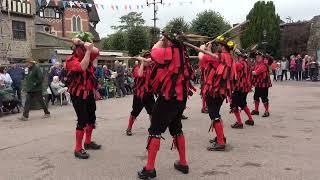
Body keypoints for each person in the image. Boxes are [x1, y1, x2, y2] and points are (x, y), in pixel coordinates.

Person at [137, 32, 195, 179]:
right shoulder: (182, 54)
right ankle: (183, 162)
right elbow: (162, 64)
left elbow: (154, 51)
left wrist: (161, 41)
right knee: (176, 129)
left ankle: (149, 168)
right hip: (180, 99)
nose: (165, 42)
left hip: (168, 98)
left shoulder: (169, 51)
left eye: (167, 40)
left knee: (155, 130)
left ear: (171, 42)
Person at [66, 33, 101, 159]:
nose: (83, 50)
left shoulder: (89, 55)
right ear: (75, 49)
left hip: (89, 93)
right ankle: (78, 148)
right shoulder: (70, 60)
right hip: (78, 95)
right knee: (82, 120)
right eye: (80, 48)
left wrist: (84, 43)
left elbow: (97, 51)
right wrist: (87, 51)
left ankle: (87, 142)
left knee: (91, 118)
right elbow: (83, 67)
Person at [200, 36, 236, 151]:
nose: (219, 47)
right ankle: (221, 137)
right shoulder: (228, 57)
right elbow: (211, 59)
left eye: (220, 45)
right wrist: (208, 50)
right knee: (216, 113)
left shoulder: (220, 56)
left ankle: (220, 142)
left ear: (223, 47)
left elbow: (202, 57)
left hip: (215, 91)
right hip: (221, 91)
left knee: (213, 114)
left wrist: (202, 48)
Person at [126, 52, 155, 136]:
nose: (148, 63)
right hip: (139, 95)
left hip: (149, 94)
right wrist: (142, 62)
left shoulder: (151, 68)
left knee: (152, 112)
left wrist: (150, 60)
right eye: (146, 60)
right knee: (135, 112)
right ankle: (129, 128)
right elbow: (139, 74)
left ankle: (152, 128)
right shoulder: (137, 68)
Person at [230, 51, 254, 129]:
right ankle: (250, 119)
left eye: (237, 57)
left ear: (240, 57)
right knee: (243, 103)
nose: (237, 58)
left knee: (234, 104)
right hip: (245, 88)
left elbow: (231, 69)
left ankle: (239, 122)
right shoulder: (247, 64)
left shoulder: (239, 64)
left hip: (239, 87)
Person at [251, 51, 272, 117]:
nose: (257, 57)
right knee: (256, 97)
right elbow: (253, 70)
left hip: (264, 84)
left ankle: (267, 111)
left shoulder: (263, 65)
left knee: (264, 98)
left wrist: (247, 71)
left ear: (262, 57)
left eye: (259, 57)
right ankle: (256, 110)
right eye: (256, 57)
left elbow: (255, 72)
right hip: (258, 84)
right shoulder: (257, 64)